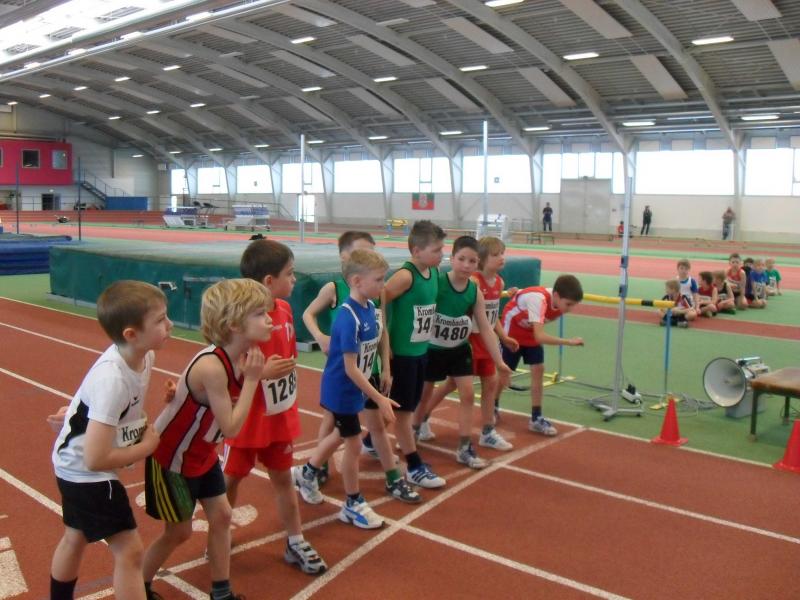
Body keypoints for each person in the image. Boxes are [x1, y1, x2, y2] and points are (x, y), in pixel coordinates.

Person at [142, 279, 268, 600]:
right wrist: (253, 380)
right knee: (179, 532)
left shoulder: (242, 357)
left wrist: (257, 375)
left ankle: (221, 593)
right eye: (259, 314)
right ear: (234, 324)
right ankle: (138, 585)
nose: (269, 319)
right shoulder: (212, 366)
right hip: (171, 459)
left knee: (223, 516)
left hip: (203, 454)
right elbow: (231, 428)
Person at [50, 281, 171, 600]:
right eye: (160, 320)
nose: (170, 325)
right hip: (85, 472)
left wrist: (73, 412)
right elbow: (95, 458)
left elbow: (103, 403)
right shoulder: (112, 378)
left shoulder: (144, 356)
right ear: (131, 334)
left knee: (75, 537)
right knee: (130, 551)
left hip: (72, 462)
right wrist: (145, 448)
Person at [223, 240, 327, 576]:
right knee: (230, 481)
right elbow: (226, 366)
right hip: (247, 418)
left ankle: (295, 540)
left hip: (279, 414)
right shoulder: (241, 320)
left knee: (283, 478)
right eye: (290, 274)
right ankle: (220, 533)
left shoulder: (283, 309)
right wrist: (259, 373)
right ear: (269, 280)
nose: (294, 279)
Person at [303, 232, 416, 503]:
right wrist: (320, 336)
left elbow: (381, 328)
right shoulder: (337, 291)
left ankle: (392, 478)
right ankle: (317, 469)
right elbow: (308, 313)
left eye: (374, 253)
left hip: (368, 370)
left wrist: (385, 366)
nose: (372, 257)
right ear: (346, 258)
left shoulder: (374, 293)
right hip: (345, 373)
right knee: (334, 425)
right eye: (364, 253)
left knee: (373, 426)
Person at [292, 249, 399, 528]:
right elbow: (351, 369)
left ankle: (306, 471)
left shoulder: (370, 309)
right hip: (342, 389)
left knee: (341, 435)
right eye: (378, 279)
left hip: (355, 389)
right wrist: (379, 398)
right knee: (353, 443)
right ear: (356, 281)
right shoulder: (348, 317)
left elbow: (370, 351)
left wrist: (383, 372)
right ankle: (352, 503)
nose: (383, 285)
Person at [412, 237, 513, 469]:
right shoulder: (437, 283)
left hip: (459, 348)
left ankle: (465, 448)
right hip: (433, 349)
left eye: (472, 261)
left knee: (467, 394)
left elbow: (486, 327)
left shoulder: (474, 291)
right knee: (424, 394)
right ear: (452, 258)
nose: (466, 265)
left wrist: (500, 362)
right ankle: (414, 429)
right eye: (462, 259)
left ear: (478, 263)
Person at [377, 219, 448, 489]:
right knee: (405, 413)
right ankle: (414, 466)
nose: (441, 254)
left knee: (407, 404)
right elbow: (379, 300)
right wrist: (385, 340)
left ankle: (371, 439)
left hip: (421, 350)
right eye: (436, 250)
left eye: (442, 249)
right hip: (403, 354)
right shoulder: (406, 276)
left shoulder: (435, 272)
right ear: (416, 251)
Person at [497, 275, 585, 436]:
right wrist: (569, 342)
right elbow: (540, 336)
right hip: (511, 331)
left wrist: (518, 292)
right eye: (568, 304)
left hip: (530, 331)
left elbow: (526, 296)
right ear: (556, 295)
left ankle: (536, 418)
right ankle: (493, 405)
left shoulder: (556, 300)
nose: (570, 309)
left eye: (574, 305)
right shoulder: (538, 300)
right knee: (505, 372)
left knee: (538, 369)